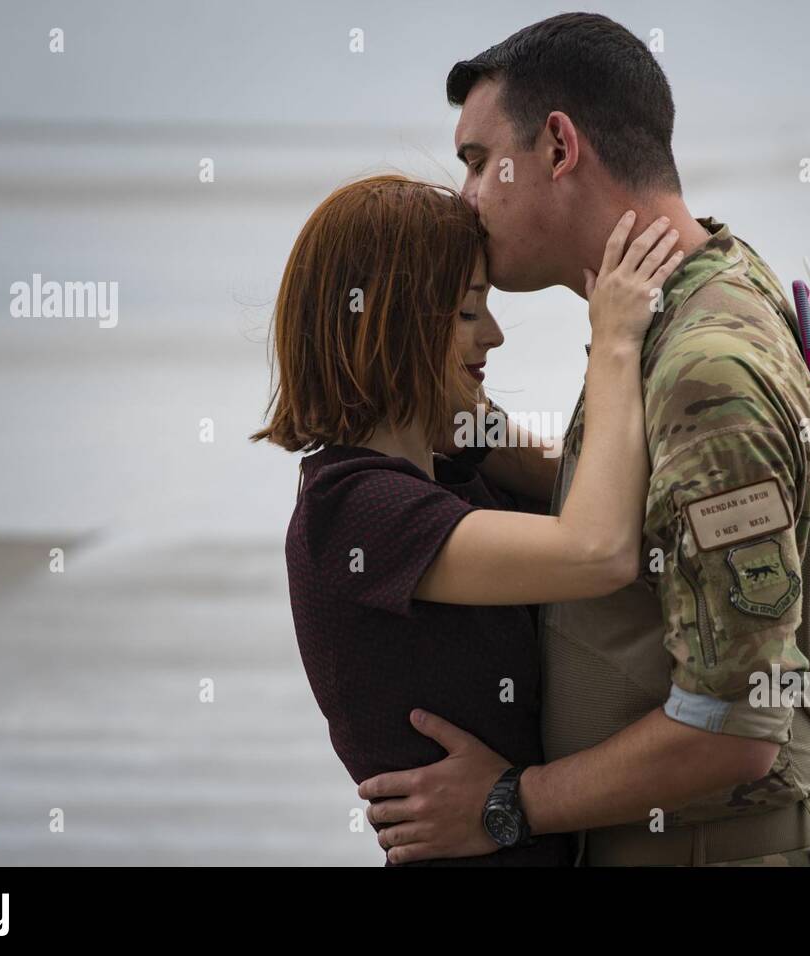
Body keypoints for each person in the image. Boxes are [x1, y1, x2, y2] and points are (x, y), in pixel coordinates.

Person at [358, 12, 810, 866]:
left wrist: (503, 806)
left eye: (479, 163)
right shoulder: (688, 300)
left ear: (558, 148)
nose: (467, 199)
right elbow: (595, 484)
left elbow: (733, 728)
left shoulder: (704, 364)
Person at [253, 173, 687, 865]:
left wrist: (793, 383)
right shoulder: (357, 513)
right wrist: (612, 340)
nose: (494, 334)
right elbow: (597, 548)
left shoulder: (450, 482)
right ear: (390, 324)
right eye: (465, 313)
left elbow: (605, 494)